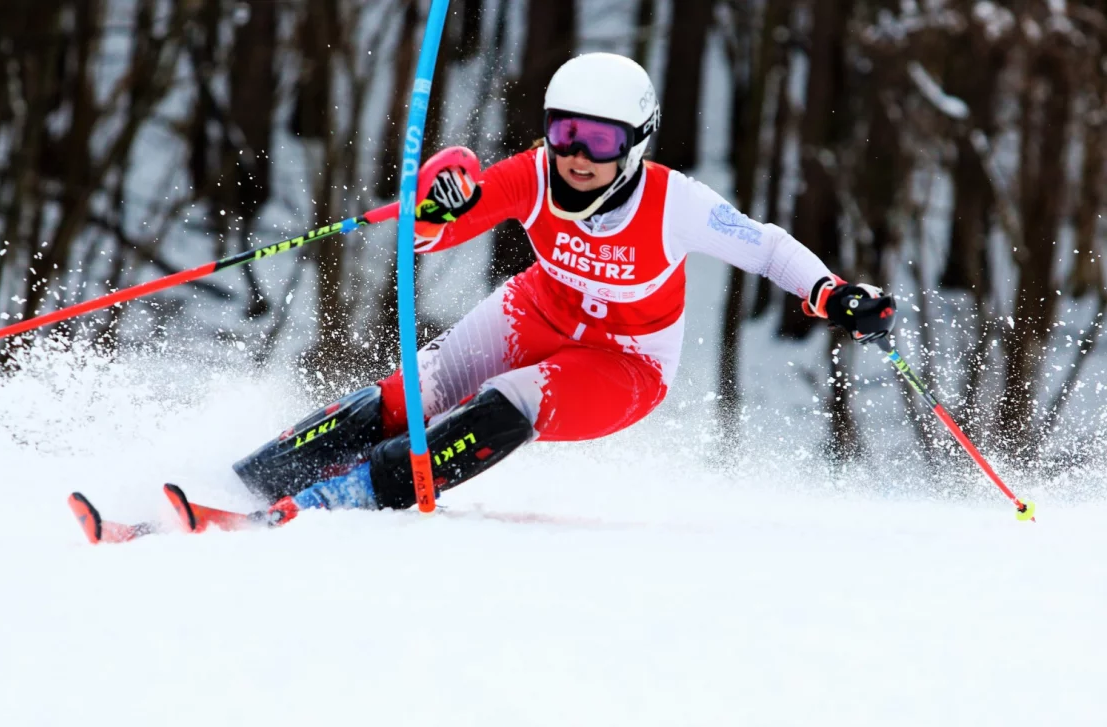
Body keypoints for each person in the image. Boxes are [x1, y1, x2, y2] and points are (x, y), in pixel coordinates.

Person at [232, 52, 896, 523]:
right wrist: (439, 200)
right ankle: (252, 481)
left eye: (599, 139)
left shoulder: (674, 203)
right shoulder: (536, 174)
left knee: (506, 401)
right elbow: (436, 232)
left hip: (624, 364)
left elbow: (767, 246)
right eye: (565, 132)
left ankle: (350, 496)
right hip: (536, 309)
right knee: (412, 394)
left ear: (635, 143)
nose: (577, 155)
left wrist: (833, 293)